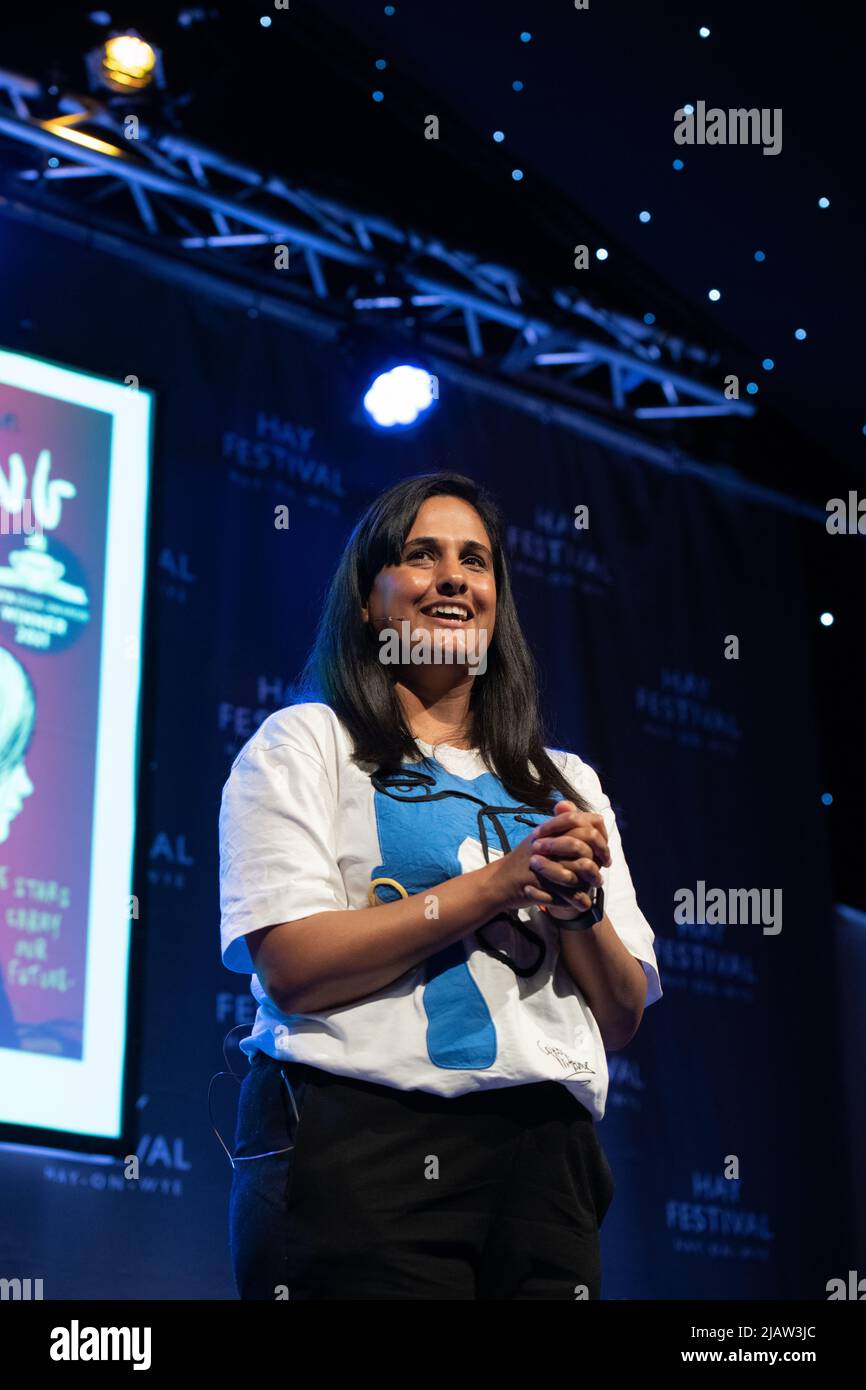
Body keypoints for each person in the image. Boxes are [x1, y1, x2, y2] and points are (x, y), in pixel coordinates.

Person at [218, 471, 662, 1300]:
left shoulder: (563, 780)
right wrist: (499, 882)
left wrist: (578, 907)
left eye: (476, 561)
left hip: (547, 1168)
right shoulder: (306, 743)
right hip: (363, 1150)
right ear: (366, 601)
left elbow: (621, 1013)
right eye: (422, 556)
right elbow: (294, 965)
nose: (454, 577)